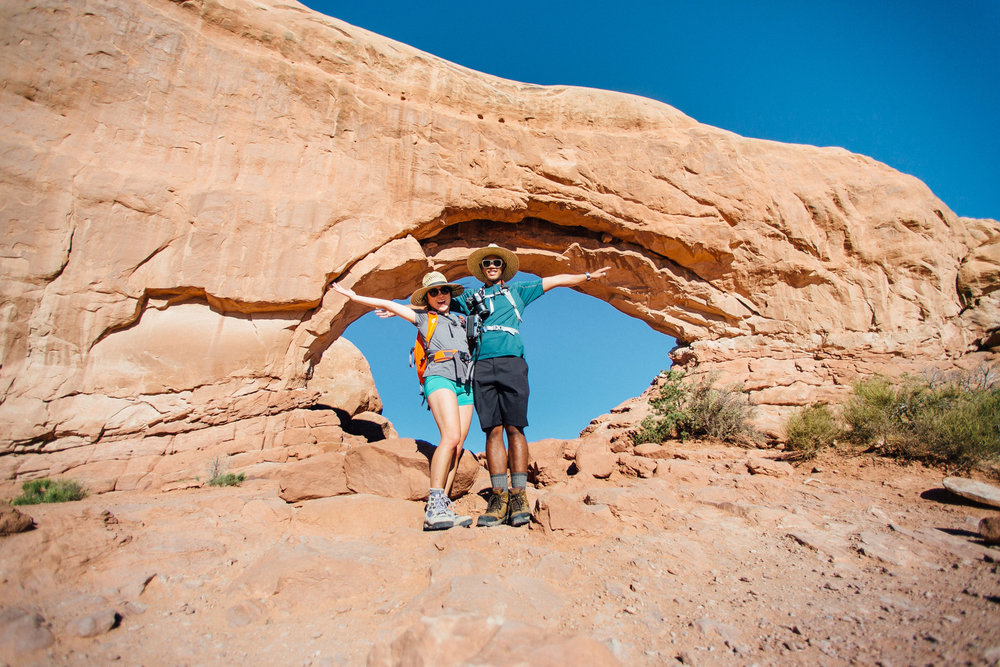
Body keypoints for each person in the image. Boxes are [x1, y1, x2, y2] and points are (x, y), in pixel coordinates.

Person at [456, 244, 610, 527]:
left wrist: (587, 276)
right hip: (481, 366)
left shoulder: (518, 292)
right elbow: (436, 302)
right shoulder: (470, 297)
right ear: (481, 269)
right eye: (487, 263)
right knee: (492, 430)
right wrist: (401, 309)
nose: (491, 266)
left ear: (503, 268)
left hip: (512, 363)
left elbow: (556, 280)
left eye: (496, 263)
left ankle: (519, 495)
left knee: (515, 427)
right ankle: (498, 497)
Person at [332, 272, 475, 531]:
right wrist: (354, 297)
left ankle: (445, 506)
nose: (440, 295)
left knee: (459, 446)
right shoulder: (423, 318)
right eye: (434, 292)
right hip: (439, 376)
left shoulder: (462, 318)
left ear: (450, 293)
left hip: (466, 382)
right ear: (427, 299)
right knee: (450, 437)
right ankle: (434, 505)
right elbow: (388, 305)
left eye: (444, 290)